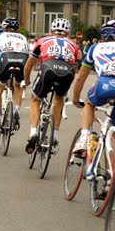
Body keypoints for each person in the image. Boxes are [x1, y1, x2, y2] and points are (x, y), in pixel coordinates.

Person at [71, 20, 115, 156]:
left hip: (105, 84)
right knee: (113, 135)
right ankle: (110, 174)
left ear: (103, 36)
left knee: (89, 102)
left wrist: (76, 99)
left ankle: (83, 139)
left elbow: (81, 78)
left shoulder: (95, 48)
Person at [23, 18, 79, 153]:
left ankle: (33, 133)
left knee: (35, 100)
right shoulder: (74, 45)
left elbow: (29, 65)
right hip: (67, 73)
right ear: (68, 32)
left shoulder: (42, 40)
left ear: (51, 30)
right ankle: (54, 137)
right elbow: (76, 67)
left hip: (48, 69)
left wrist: (27, 81)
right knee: (59, 100)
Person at [0, 18, 29, 136]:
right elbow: (29, 55)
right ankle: (16, 109)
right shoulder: (23, 37)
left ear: (5, 28)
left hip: (7, 58)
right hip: (22, 59)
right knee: (18, 86)